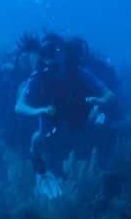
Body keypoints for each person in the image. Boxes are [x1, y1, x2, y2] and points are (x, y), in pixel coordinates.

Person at [14, 34, 116, 198]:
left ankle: (103, 160)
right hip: (51, 113)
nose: (51, 57)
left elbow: (109, 95)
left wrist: (100, 101)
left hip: (79, 110)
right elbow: (19, 106)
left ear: (64, 52)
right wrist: (38, 111)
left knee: (98, 120)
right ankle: (40, 171)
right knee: (38, 138)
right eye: (45, 53)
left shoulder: (78, 71)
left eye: (54, 50)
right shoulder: (38, 77)